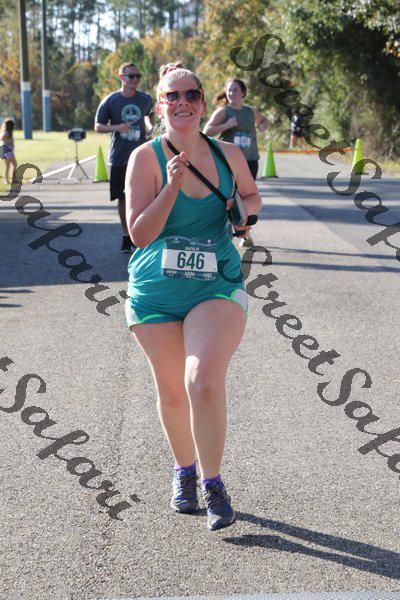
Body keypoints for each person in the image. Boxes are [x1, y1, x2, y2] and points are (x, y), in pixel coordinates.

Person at [124, 62, 261, 531]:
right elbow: (140, 234)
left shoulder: (228, 155)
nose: (182, 102)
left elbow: (251, 197)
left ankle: (213, 482)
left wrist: (244, 215)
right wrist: (172, 187)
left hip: (215, 284)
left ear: (204, 104)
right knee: (171, 392)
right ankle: (183, 470)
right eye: (172, 96)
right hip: (156, 292)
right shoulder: (144, 159)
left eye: (190, 95)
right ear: (158, 108)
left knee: (201, 381)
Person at [94, 62, 155, 253]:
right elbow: (98, 126)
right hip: (119, 157)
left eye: (138, 76)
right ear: (121, 77)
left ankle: (143, 236)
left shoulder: (145, 99)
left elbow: (151, 116)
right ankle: (126, 236)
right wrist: (117, 128)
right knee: (123, 197)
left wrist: (152, 129)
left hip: (142, 157)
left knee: (146, 196)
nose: (135, 79)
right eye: (131, 76)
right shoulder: (111, 100)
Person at [203, 78, 267, 248]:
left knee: (246, 199)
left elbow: (264, 120)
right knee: (230, 198)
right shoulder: (223, 112)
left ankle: (244, 233)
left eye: (235, 90)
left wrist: (262, 125)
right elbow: (206, 131)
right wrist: (226, 125)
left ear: (243, 93)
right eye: (229, 90)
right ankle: (226, 232)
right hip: (229, 162)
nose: (232, 93)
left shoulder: (250, 111)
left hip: (250, 159)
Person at [1, 118, 17, 184]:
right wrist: (8, 140)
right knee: (10, 165)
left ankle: (10, 179)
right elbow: (2, 138)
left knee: (13, 165)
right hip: (7, 151)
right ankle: (7, 180)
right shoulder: (7, 132)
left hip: (9, 151)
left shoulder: (9, 133)